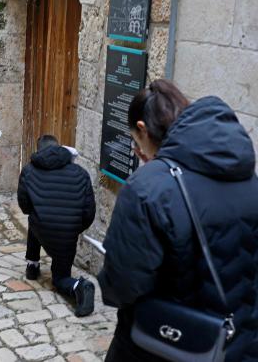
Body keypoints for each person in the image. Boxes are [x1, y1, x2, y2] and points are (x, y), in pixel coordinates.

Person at [98, 80, 258, 361]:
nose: (139, 153)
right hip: (238, 344)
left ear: (143, 130)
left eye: (137, 143)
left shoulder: (147, 189)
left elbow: (121, 286)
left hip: (166, 344)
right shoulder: (248, 180)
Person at [17, 135, 96, 317]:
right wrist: (74, 229)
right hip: (68, 235)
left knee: (34, 218)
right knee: (61, 277)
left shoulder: (28, 171)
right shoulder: (80, 173)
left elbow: (25, 206)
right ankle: (78, 286)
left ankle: (32, 265)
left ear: (38, 151)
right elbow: (89, 212)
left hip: (41, 228)